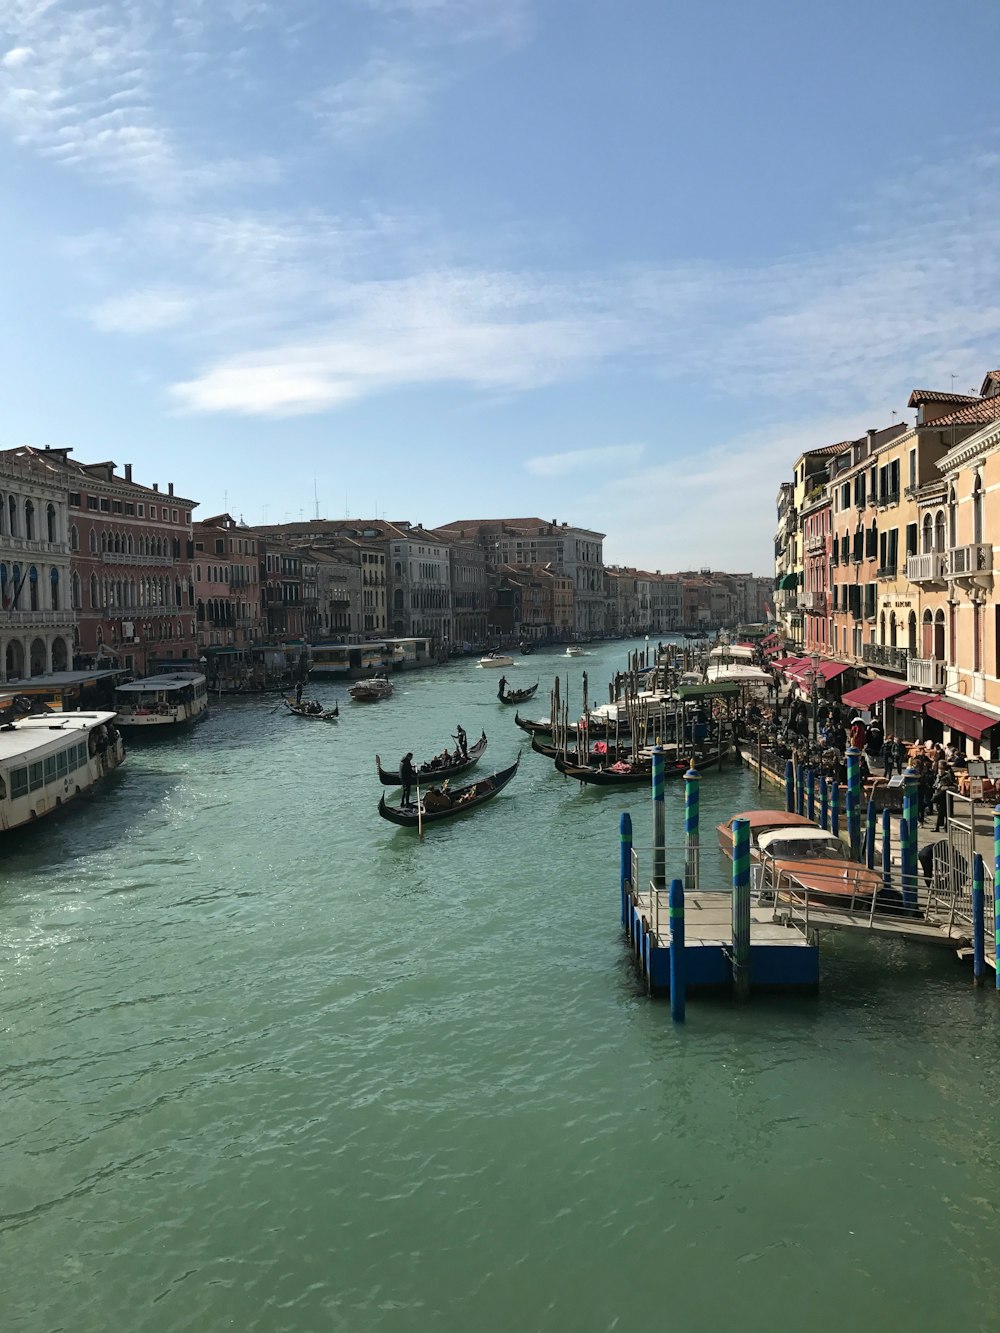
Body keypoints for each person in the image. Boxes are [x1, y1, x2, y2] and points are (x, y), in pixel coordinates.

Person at [932, 761, 957, 832]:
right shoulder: (938, 776)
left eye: (941, 768)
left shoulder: (949, 775)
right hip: (940, 796)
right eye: (939, 768)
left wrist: (945, 787)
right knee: (940, 812)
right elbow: (935, 784)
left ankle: (943, 827)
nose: (940, 770)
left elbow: (954, 786)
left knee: (946, 813)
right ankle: (941, 826)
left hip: (947, 797)